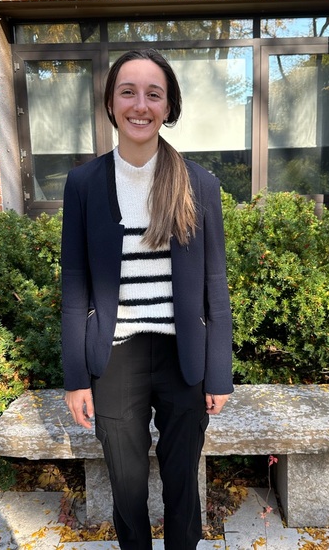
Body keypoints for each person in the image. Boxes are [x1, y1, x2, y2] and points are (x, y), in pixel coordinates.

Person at [61, 48, 233, 550]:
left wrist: (218, 373)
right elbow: (74, 285)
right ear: (111, 103)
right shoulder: (83, 184)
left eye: (153, 94)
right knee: (128, 489)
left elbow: (215, 285)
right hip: (114, 360)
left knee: (183, 487)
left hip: (184, 359)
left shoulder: (199, 184)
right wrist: (76, 378)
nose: (140, 105)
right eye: (128, 92)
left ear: (169, 106)